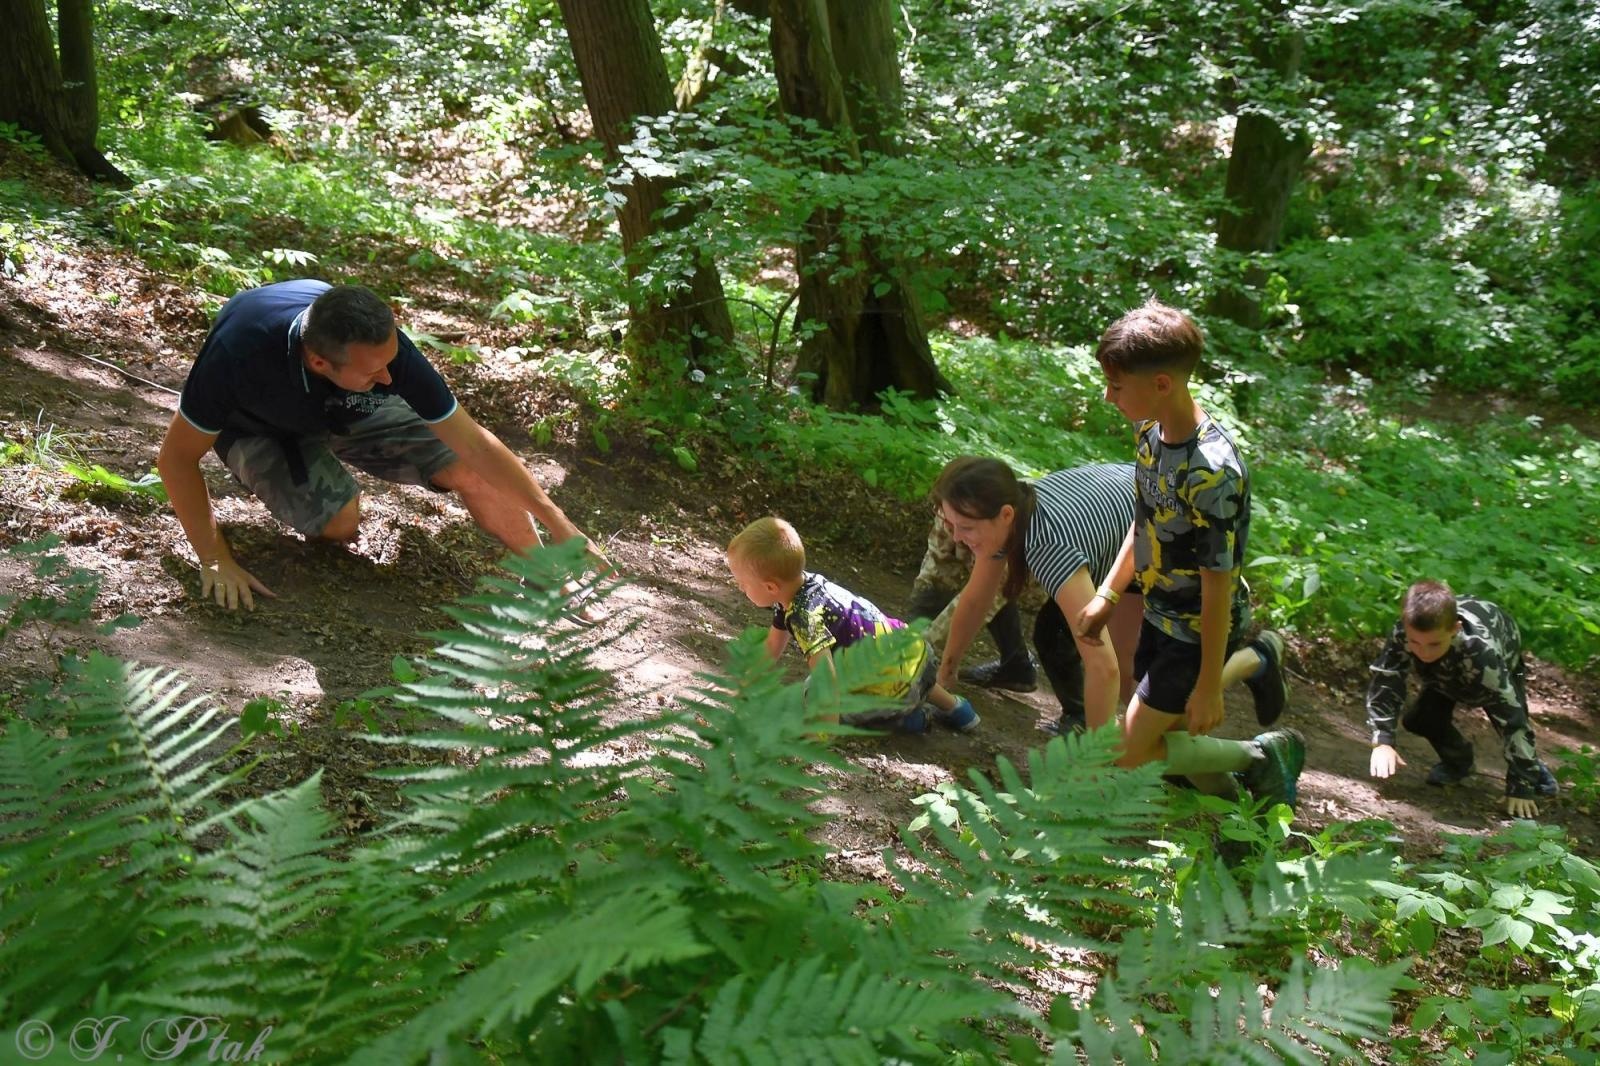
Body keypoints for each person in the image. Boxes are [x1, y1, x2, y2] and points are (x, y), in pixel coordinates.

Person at [156, 280, 607, 613]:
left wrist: (558, 522)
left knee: (465, 466)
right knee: (340, 525)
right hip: (259, 428)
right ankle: (310, 480)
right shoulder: (239, 354)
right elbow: (175, 458)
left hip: (344, 405)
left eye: (392, 362)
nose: (391, 379)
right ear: (318, 360)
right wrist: (213, 558)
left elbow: (476, 446)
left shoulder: (383, 356)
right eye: (377, 372)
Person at [1076, 299, 1301, 806]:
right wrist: (1108, 596)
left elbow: (1219, 583)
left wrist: (1209, 685)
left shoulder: (1212, 472)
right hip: (1160, 612)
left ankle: (1260, 756)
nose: (1108, 397)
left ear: (1161, 384)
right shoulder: (1151, 435)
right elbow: (1145, 522)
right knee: (1178, 741)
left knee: (1130, 754)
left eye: (1117, 386)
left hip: (1197, 631)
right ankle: (1246, 814)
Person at [929, 459, 1144, 734]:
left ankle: (1109, 740)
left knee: (1059, 636)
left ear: (1006, 515)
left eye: (967, 528)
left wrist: (1092, 766)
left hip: (1173, 537)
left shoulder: (1048, 545)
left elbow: (1103, 667)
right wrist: (946, 673)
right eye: (951, 525)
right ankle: (1126, 738)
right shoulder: (1009, 517)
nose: (958, 537)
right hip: (1133, 527)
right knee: (1117, 659)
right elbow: (975, 601)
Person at [726, 516, 979, 734]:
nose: (739, 588)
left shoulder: (804, 616)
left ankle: (908, 719)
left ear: (770, 587)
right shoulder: (805, 586)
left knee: (811, 694)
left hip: (893, 686)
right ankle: (958, 709)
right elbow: (772, 647)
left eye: (742, 584)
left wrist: (820, 732)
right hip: (916, 655)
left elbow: (826, 679)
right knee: (903, 672)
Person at [1367, 580, 1559, 818]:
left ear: (1455, 629)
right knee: (1420, 719)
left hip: (1502, 664)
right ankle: (1458, 763)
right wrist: (1383, 740)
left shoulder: (1483, 656)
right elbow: (1387, 681)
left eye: (1433, 643)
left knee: (1509, 722)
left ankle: (1534, 772)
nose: (1424, 652)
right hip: (1444, 670)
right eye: (1415, 642)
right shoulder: (1405, 632)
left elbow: (1512, 720)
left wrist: (1521, 787)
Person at [906, 510, 1041, 693]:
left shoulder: (1002, 532)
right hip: (1005, 558)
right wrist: (911, 638)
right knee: (989, 588)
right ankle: (1017, 667)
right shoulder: (950, 508)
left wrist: (917, 653)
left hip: (1073, 558)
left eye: (964, 527)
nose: (954, 534)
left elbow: (979, 601)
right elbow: (935, 572)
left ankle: (1079, 715)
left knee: (1053, 639)